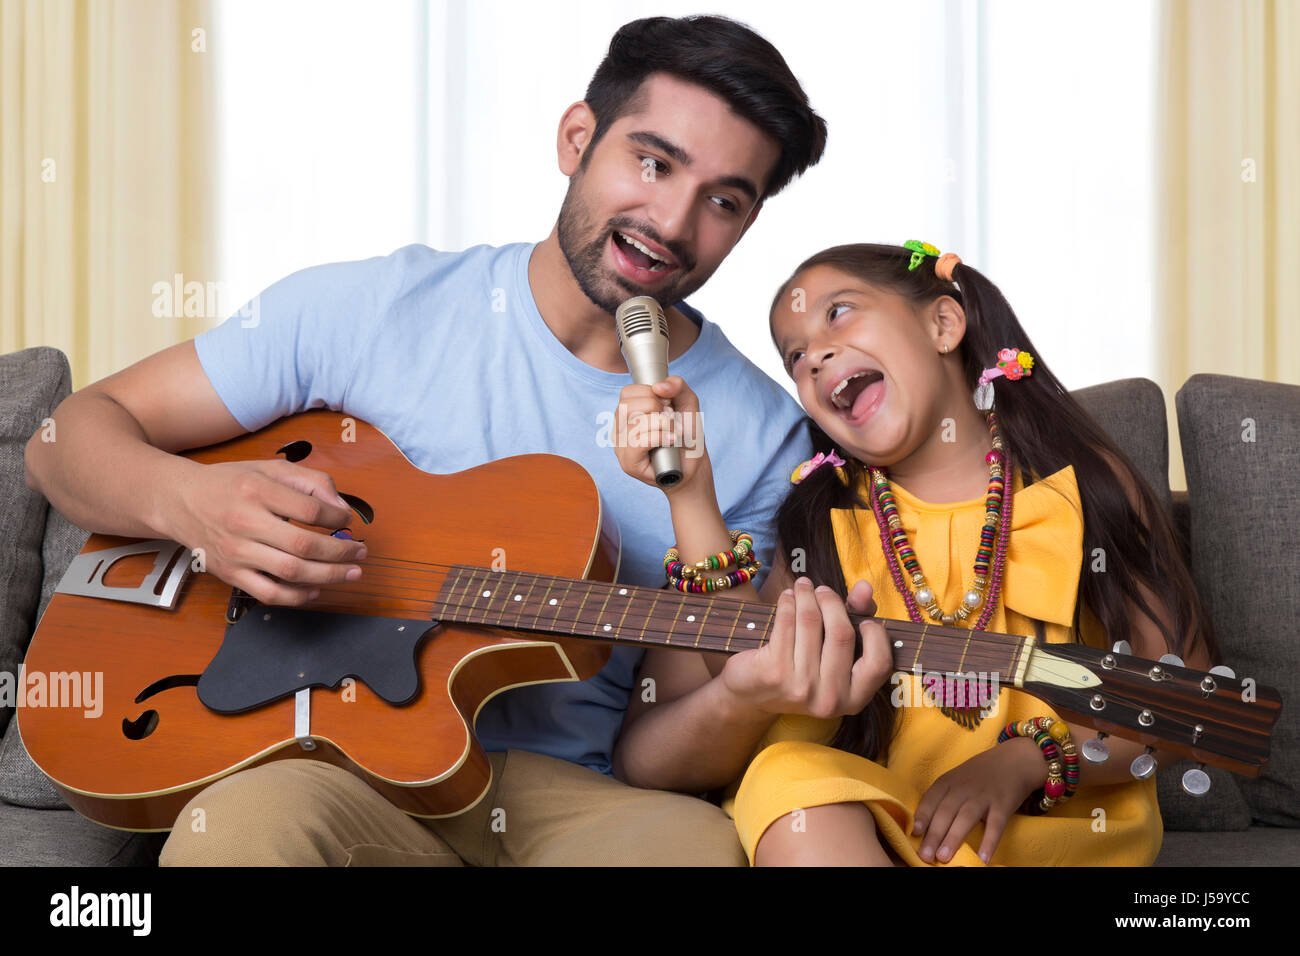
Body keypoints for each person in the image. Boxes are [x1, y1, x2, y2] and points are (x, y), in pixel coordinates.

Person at [23, 15, 882, 867]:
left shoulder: (769, 433)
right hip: (339, 767)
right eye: (652, 162)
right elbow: (65, 440)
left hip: (577, 800)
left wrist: (747, 684)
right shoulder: (371, 309)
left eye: (723, 201)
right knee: (243, 833)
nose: (669, 220)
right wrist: (197, 504)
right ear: (577, 137)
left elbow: (674, 738)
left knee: (693, 851)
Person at [618, 239, 1219, 866]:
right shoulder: (821, 523)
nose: (814, 356)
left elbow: (1187, 698)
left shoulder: (1082, 488)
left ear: (943, 323)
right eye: (795, 357)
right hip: (890, 828)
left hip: (1052, 839)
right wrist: (689, 496)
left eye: (839, 312)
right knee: (786, 776)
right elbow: (743, 667)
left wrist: (1027, 759)